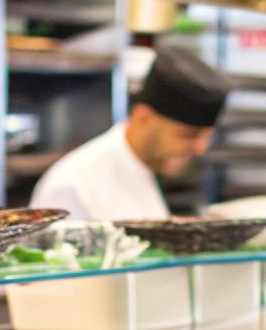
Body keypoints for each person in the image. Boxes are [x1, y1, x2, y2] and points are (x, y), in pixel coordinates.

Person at [30, 46, 231, 221]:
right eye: (188, 135)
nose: (201, 148)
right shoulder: (74, 185)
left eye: (207, 136)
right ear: (143, 117)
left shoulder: (145, 167)